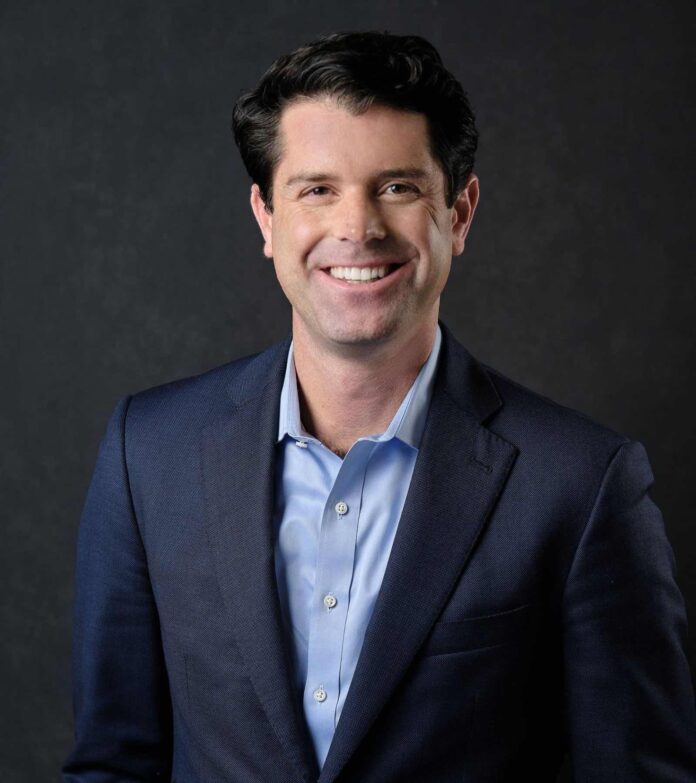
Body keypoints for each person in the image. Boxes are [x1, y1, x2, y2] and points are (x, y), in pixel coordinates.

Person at [62, 31, 696, 783]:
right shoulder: (148, 453)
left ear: (459, 213)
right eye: (317, 190)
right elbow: (112, 763)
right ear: (266, 217)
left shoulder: (583, 485)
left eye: (397, 187)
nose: (357, 228)